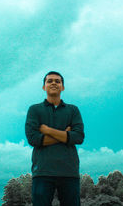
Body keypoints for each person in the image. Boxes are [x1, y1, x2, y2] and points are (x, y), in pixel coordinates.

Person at [25, 71, 85, 206]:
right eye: (49, 81)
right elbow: (33, 139)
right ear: (44, 87)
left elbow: (79, 137)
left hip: (69, 172)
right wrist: (64, 135)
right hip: (42, 172)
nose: (53, 83)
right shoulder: (34, 110)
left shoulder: (73, 110)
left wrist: (48, 131)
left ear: (63, 87)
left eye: (57, 81)